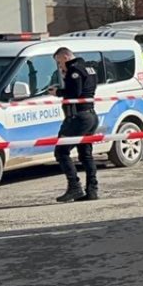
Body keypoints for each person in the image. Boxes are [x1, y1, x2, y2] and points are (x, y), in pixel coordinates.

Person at [49, 47, 100, 203]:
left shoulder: (74, 70)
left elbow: (74, 93)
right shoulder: (89, 68)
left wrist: (57, 92)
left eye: (59, 62)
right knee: (85, 154)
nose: (60, 66)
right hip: (91, 115)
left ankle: (74, 187)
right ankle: (92, 190)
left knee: (61, 151)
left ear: (65, 57)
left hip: (78, 117)